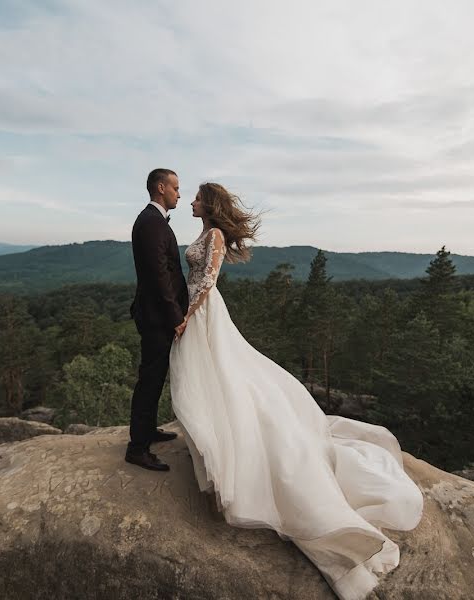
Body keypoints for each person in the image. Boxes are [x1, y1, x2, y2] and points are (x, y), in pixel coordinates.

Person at [168, 182, 424, 600]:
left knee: (216, 379)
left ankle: (226, 456)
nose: (191, 202)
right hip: (197, 313)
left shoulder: (213, 235)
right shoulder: (203, 232)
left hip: (205, 314)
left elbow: (208, 280)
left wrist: (184, 316)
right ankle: (212, 446)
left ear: (208, 204)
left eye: (196, 198)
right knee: (207, 382)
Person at [126, 168, 189, 471]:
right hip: (156, 317)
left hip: (156, 314)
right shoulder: (151, 222)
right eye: (176, 188)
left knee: (154, 377)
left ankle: (147, 431)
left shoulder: (152, 220)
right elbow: (158, 277)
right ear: (161, 188)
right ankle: (137, 448)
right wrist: (175, 316)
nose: (180, 193)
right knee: (150, 379)